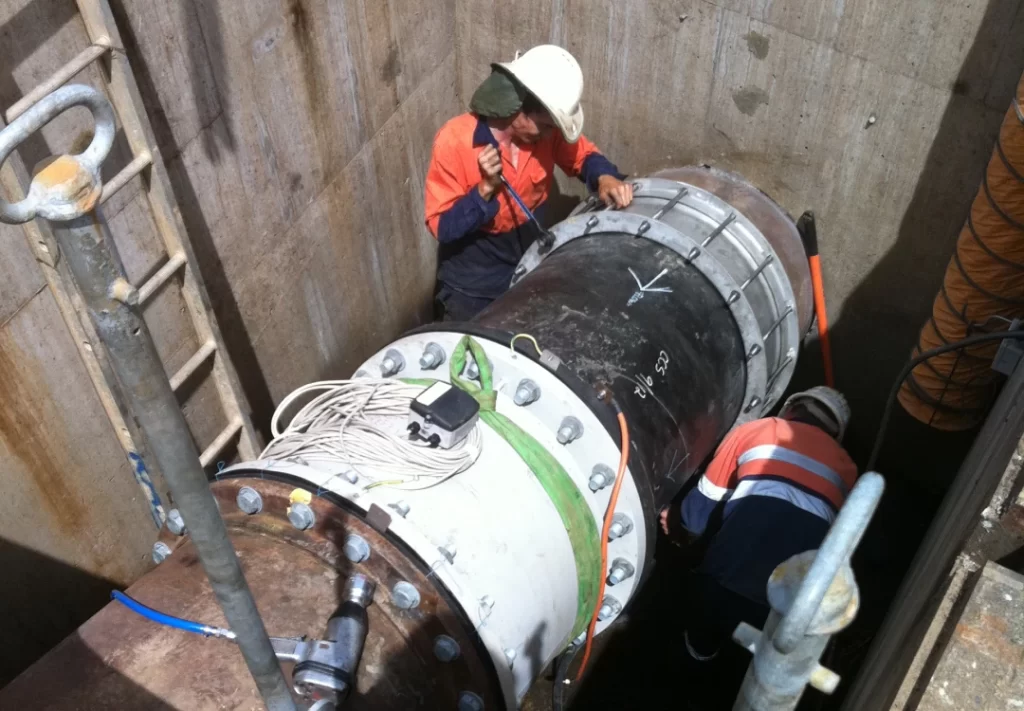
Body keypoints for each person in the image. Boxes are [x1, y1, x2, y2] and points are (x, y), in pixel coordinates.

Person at [424, 45, 635, 321]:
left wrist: (605, 177)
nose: (551, 136)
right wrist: (484, 190)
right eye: (545, 126)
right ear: (517, 110)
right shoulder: (455, 141)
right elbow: (443, 227)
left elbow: (583, 156)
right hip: (473, 285)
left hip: (528, 265)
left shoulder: (546, 134)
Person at [661, 386, 858, 674]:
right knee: (751, 670)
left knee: (701, 642)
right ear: (836, 434)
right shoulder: (849, 471)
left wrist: (677, 526)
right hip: (781, 612)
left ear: (790, 410)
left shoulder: (758, 430)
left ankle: (697, 663)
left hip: (720, 585)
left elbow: (696, 518)